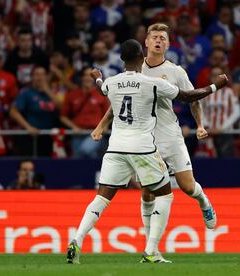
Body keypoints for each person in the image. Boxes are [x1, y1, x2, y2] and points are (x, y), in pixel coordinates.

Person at [67, 39, 228, 264]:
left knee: (102, 198)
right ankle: (151, 250)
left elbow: (101, 88)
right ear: (142, 58)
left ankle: (77, 238)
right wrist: (215, 86)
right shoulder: (151, 83)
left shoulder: (112, 82)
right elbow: (189, 96)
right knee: (165, 194)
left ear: (122, 60)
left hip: (115, 148)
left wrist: (97, 75)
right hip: (142, 148)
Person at [92, 23, 219, 236]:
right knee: (148, 192)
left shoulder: (175, 71)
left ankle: (204, 202)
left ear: (168, 44)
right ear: (146, 42)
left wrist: (199, 126)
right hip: (144, 139)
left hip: (170, 134)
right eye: (155, 37)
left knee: (187, 187)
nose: (158, 41)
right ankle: (151, 245)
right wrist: (101, 126)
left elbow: (193, 99)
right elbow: (118, 103)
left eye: (163, 38)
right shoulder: (133, 70)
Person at [9, 66, 60, 156]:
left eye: (43, 74)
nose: (40, 77)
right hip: (31, 136)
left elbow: (61, 109)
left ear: (47, 77)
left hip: (48, 136)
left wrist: (47, 90)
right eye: (37, 74)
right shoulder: (26, 92)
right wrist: (28, 127)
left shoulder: (52, 93)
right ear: (32, 77)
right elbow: (13, 112)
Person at [60, 67, 109, 159]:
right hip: (78, 133)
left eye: (90, 76)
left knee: (85, 150)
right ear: (81, 78)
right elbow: (63, 116)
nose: (88, 78)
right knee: (78, 160)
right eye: (85, 75)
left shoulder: (102, 93)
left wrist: (104, 127)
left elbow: (108, 112)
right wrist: (73, 127)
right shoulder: (72, 94)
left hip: (95, 132)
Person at [202, 66, 240, 157]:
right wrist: (207, 126)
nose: (216, 77)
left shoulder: (230, 92)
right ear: (210, 77)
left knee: (225, 162)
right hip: (209, 133)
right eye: (214, 75)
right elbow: (200, 112)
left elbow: (237, 112)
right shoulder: (204, 93)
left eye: (219, 75)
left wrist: (222, 128)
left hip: (226, 133)